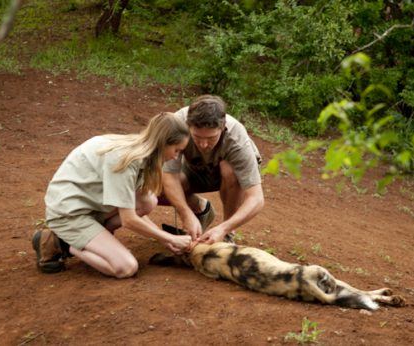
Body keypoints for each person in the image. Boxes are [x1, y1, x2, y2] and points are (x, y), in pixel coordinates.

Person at [32, 112, 192, 278]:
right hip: (69, 213)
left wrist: (165, 240)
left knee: (148, 201)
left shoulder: (141, 152)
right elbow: (128, 219)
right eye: (176, 150)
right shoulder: (126, 160)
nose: (176, 156)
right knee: (126, 267)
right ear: (162, 143)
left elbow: (132, 207)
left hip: (90, 203)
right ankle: (64, 243)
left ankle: (92, 239)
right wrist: (170, 238)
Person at [161, 95, 264, 244]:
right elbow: (169, 176)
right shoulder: (177, 124)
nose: (203, 144)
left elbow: (256, 198)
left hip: (225, 176)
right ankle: (201, 209)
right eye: (196, 137)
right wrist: (186, 214)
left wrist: (223, 228)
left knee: (230, 170)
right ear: (188, 126)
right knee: (158, 184)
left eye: (211, 138)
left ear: (222, 128)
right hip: (194, 169)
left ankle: (228, 235)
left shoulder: (236, 138)